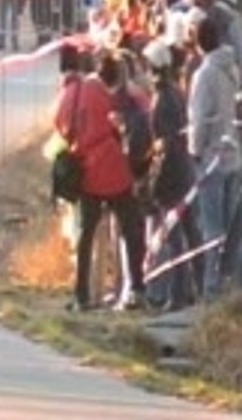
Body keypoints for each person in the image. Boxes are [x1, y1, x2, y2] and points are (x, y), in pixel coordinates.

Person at [56, 51, 147, 311]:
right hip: (116, 168)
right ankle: (136, 288)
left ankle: (82, 294)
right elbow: (141, 120)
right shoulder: (123, 95)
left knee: (86, 235)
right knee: (131, 230)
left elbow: (60, 122)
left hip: (86, 170)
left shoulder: (77, 91)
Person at [142, 38, 204, 311]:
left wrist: (156, 179)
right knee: (191, 232)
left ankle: (178, 293)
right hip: (185, 167)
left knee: (173, 235)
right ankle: (198, 287)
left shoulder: (161, 99)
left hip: (171, 172)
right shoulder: (177, 91)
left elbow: (163, 143)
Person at [187, 16, 242, 301]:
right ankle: (232, 286)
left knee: (212, 227)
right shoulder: (232, 66)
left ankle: (210, 289)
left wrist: (195, 151)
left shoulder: (205, 74)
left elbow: (199, 119)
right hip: (234, 155)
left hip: (211, 160)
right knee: (233, 230)